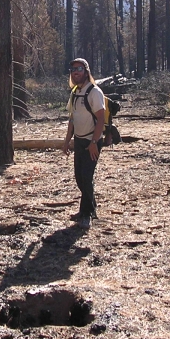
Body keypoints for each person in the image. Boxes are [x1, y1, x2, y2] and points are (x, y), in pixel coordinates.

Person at [62, 58, 105, 229]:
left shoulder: (94, 92)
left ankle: (86, 214)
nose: (75, 72)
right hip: (79, 141)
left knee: (87, 178)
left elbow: (101, 119)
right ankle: (88, 207)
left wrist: (94, 142)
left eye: (79, 69)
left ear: (86, 71)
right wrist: (67, 141)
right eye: (73, 69)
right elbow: (72, 119)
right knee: (79, 178)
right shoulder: (74, 92)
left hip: (92, 141)